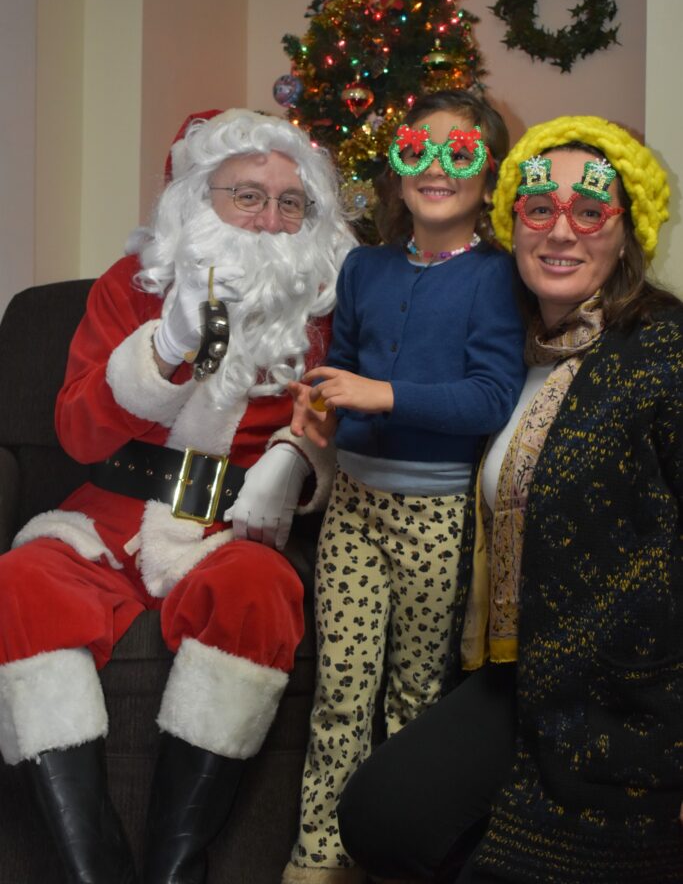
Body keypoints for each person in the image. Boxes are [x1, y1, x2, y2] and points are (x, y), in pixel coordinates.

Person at [0, 108, 354, 884]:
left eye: (289, 202)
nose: (269, 219)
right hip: (108, 519)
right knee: (18, 585)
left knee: (258, 592)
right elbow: (77, 433)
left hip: (228, 528)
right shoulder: (131, 286)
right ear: (199, 197)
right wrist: (163, 351)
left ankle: (174, 866)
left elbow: (341, 417)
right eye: (246, 195)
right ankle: (93, 867)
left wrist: (294, 460)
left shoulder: (326, 305)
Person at [337, 114, 683, 884]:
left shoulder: (663, 351)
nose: (559, 231)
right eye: (538, 208)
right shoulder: (507, 353)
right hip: (516, 673)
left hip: (634, 689)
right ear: (512, 221)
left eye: (588, 212)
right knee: (379, 816)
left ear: (626, 232)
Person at [281, 90, 527, 883]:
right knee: (339, 690)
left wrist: (381, 395)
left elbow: (489, 397)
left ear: (488, 177)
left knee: (415, 695)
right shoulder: (365, 267)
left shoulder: (497, 277)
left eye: (460, 153)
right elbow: (343, 371)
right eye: (418, 148)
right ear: (396, 166)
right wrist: (323, 407)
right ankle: (320, 854)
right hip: (354, 509)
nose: (436, 167)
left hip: (436, 516)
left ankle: (392, 855)